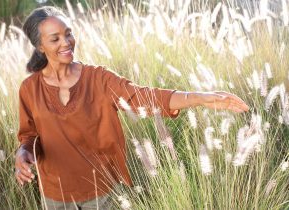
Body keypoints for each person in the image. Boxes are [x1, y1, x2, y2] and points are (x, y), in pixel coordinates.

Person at [14, 6, 249, 210]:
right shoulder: (29, 89)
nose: (66, 42)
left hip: (103, 191)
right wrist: (22, 154)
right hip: (56, 195)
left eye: (69, 34)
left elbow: (144, 97)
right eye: (55, 39)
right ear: (40, 46)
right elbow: (29, 135)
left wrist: (200, 98)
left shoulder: (99, 78)